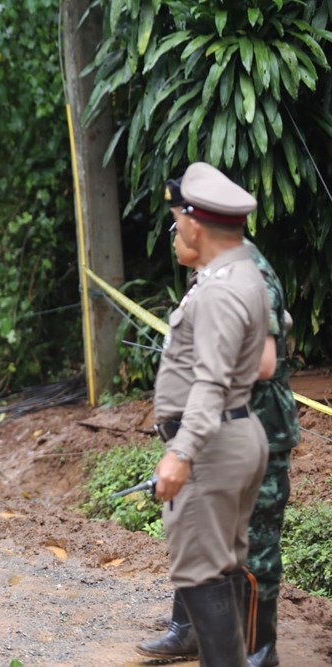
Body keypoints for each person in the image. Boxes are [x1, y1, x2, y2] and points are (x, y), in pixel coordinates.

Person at [138, 180, 300, 667]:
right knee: (204, 546)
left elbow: (264, 361)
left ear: (198, 223)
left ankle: (257, 653)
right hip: (219, 428)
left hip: (248, 427)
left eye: (176, 222)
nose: (174, 233)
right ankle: (191, 632)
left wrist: (201, 368)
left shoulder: (243, 275)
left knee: (250, 553)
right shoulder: (216, 273)